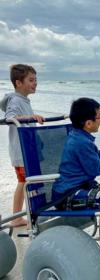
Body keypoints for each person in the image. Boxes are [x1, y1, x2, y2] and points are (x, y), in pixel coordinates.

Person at [0, 64, 44, 227]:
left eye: (36, 80)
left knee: (24, 182)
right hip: (21, 152)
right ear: (18, 83)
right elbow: (10, 118)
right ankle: (28, 215)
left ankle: (18, 216)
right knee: (29, 182)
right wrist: (30, 117)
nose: (35, 83)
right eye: (31, 80)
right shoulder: (15, 100)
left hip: (28, 150)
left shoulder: (24, 100)